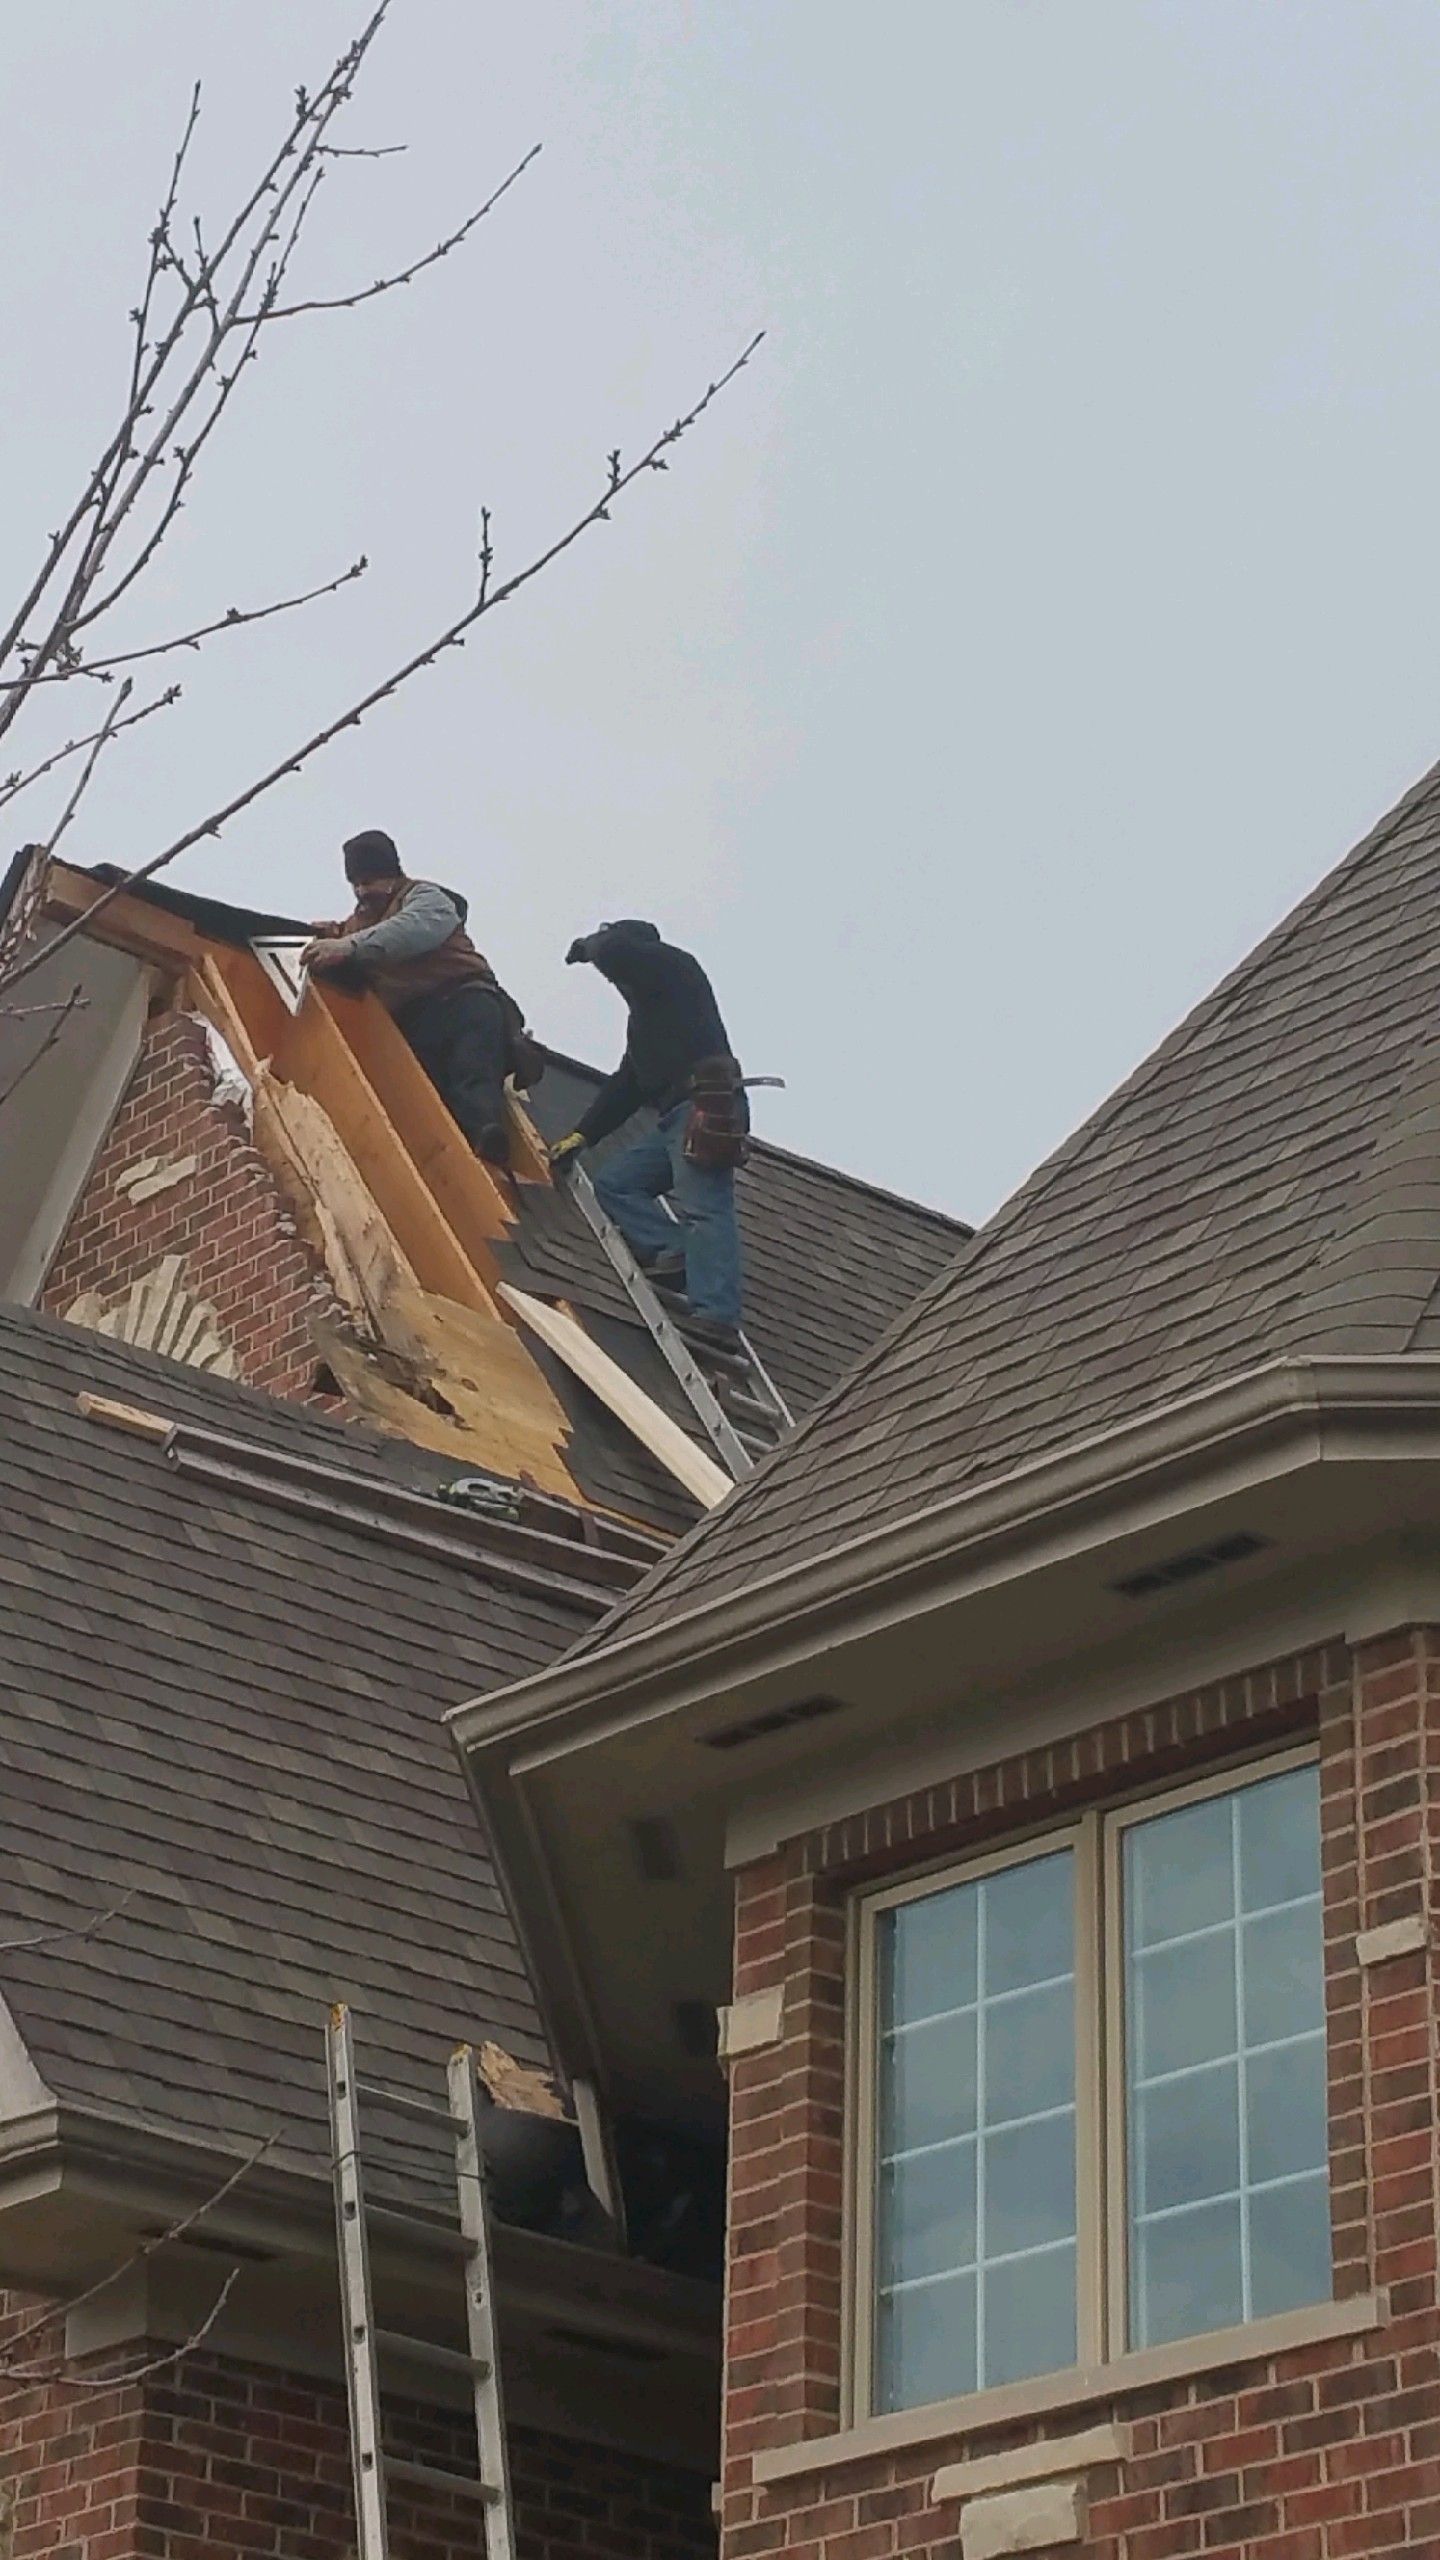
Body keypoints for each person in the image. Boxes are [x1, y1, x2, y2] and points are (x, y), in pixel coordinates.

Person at [550, 920, 748, 1349]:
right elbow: (628, 1084)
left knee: (704, 1207)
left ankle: (717, 1315)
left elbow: (618, 951)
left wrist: (590, 942)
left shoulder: (674, 968)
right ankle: (673, 1250)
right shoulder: (646, 1022)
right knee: (617, 1185)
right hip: (678, 1113)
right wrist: (582, 1135)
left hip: (706, 1104)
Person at [302, 831, 535, 1169]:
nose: (362, 890)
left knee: (472, 1070)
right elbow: (356, 935)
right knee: (427, 1095)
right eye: (355, 883)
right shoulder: (359, 923)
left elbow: (413, 930)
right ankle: (456, 1154)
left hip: (464, 999)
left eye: (369, 880)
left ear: (392, 874)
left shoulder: (425, 898)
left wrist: (348, 946)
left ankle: (487, 1133)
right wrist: (330, 935)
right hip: (416, 1022)